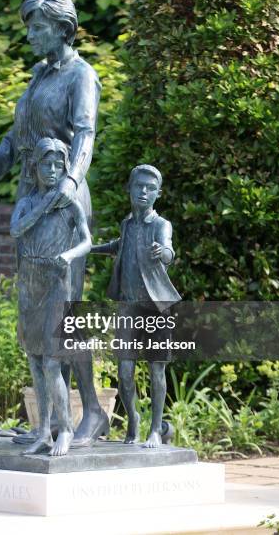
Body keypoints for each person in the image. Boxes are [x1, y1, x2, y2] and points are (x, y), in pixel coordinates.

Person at [0, 0, 108, 447]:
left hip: (63, 197)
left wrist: (70, 183)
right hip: (31, 200)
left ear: (63, 29)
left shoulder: (81, 75)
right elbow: (14, 143)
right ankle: (51, 420)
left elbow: (86, 135)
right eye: (28, 26)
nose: (30, 35)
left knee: (64, 313)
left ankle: (90, 410)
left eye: (37, 27)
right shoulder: (37, 78)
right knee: (36, 314)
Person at [10, 138, 92, 456]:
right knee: (34, 358)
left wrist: (70, 255)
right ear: (36, 167)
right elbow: (17, 229)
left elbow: (86, 240)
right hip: (30, 282)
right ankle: (43, 430)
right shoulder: (28, 203)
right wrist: (45, 203)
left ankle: (66, 429)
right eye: (47, 164)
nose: (54, 170)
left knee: (53, 361)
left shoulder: (70, 205)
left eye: (59, 165)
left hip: (58, 282)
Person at [91, 165, 181, 447]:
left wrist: (163, 253)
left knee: (157, 369)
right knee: (124, 372)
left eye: (150, 188)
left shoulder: (160, 225)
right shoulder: (127, 224)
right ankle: (134, 421)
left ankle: (156, 429)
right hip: (128, 308)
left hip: (156, 308)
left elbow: (168, 250)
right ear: (129, 189)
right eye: (139, 186)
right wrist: (89, 249)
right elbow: (120, 244)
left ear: (158, 193)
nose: (144, 192)